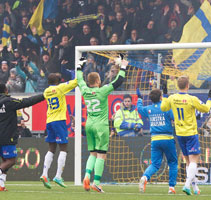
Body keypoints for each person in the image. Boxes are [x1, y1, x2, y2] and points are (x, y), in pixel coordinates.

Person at [77, 55, 127, 193]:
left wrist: (79, 66)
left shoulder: (85, 90)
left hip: (89, 125)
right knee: (101, 155)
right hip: (101, 126)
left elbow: (79, 79)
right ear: (98, 80)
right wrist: (123, 67)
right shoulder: (103, 90)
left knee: (92, 153)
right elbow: (118, 81)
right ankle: (96, 182)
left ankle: (87, 176)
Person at [0, 83, 45, 191]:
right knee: (11, 161)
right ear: (6, 91)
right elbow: (26, 102)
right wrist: (43, 96)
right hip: (8, 135)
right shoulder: (8, 101)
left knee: (5, 161)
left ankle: (1, 185)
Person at [160, 76, 211, 195]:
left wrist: (165, 96)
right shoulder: (191, 99)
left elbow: (163, 108)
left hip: (179, 133)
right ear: (188, 85)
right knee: (194, 159)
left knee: (188, 161)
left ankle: (195, 188)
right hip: (191, 133)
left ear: (178, 86)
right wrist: (209, 99)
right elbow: (205, 109)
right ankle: (187, 185)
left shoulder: (172, 98)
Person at [137, 86, 178, 194]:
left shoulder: (149, 109)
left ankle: (145, 177)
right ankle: (171, 188)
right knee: (173, 163)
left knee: (155, 164)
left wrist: (139, 99)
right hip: (167, 138)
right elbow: (175, 118)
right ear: (161, 97)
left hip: (155, 140)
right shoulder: (166, 108)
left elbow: (140, 109)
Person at [40, 73, 77, 189]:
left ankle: (44, 174)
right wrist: (80, 68)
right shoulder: (60, 88)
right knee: (64, 148)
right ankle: (58, 176)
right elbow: (75, 82)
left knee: (51, 148)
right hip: (59, 120)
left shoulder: (46, 91)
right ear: (57, 81)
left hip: (49, 121)